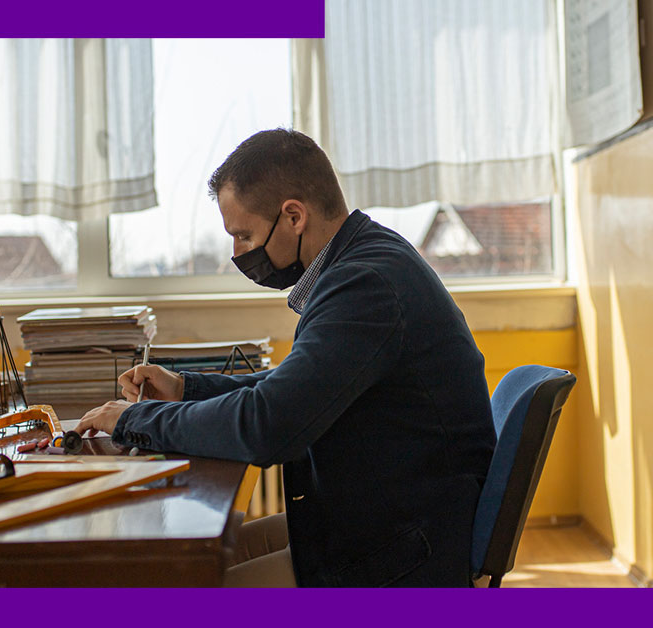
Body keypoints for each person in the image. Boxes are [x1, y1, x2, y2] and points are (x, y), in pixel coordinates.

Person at [76, 128, 495, 587]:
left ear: (293, 216)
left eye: (244, 235)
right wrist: (183, 390)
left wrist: (135, 420)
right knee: (193, 567)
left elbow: (269, 426)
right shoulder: (364, 260)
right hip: (387, 522)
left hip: (406, 554)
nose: (237, 253)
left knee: (184, 586)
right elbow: (288, 389)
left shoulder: (366, 285)